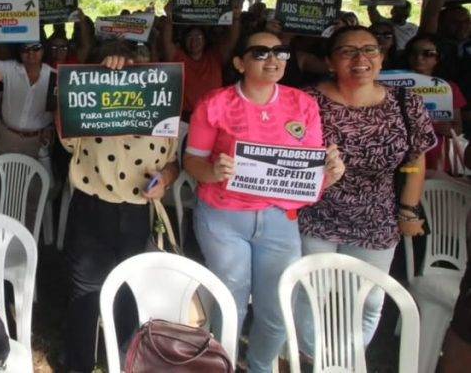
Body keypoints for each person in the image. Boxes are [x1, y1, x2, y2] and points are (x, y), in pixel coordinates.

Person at [183, 31, 344, 373]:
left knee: (276, 307)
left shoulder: (303, 104)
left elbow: (308, 172)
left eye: (280, 52)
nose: (273, 59)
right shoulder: (215, 103)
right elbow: (192, 161)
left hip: (278, 218)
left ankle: (259, 366)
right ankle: (221, 365)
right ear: (240, 63)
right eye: (260, 52)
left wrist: (330, 171)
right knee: (231, 303)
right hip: (223, 217)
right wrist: (212, 171)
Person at [297, 26, 436, 353]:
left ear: (382, 56)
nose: (360, 58)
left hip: (377, 216)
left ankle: (350, 358)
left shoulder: (405, 101)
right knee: (311, 293)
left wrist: (408, 209)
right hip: (315, 213)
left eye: (369, 50)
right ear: (331, 61)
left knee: (370, 297)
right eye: (348, 51)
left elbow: (415, 161)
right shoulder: (305, 101)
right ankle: (310, 358)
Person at [60, 42, 180, 372]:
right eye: (128, 71)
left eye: (142, 71)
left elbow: (174, 162)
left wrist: (166, 179)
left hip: (139, 212)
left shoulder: (162, 110)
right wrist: (99, 79)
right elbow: (65, 131)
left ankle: (127, 361)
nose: (134, 79)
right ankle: (79, 364)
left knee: (131, 293)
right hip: (92, 209)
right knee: (86, 295)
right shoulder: (93, 107)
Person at [161, 0, 241, 119]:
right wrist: (169, 18)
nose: (194, 41)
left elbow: (232, 40)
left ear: (205, 41)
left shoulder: (215, 56)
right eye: (190, 38)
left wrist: (235, 18)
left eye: (198, 37)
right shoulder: (179, 57)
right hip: (184, 117)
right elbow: (166, 41)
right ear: (184, 41)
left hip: (214, 114)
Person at [404, 33, 467, 174]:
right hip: (401, 155)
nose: (419, 58)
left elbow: (456, 129)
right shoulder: (392, 86)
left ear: (438, 58)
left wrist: (426, 122)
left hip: (437, 157)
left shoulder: (449, 88)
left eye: (428, 53)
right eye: (413, 53)